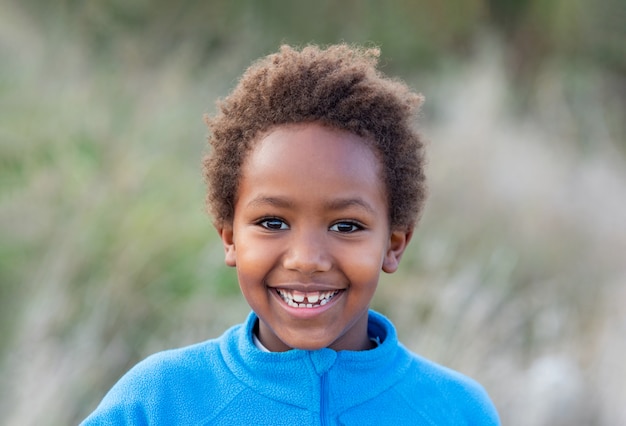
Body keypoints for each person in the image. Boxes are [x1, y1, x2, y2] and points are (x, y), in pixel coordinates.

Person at [82, 43, 500, 425]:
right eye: (272, 223)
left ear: (393, 245)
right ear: (229, 237)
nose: (306, 258)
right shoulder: (160, 400)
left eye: (346, 226)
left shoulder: (456, 410)